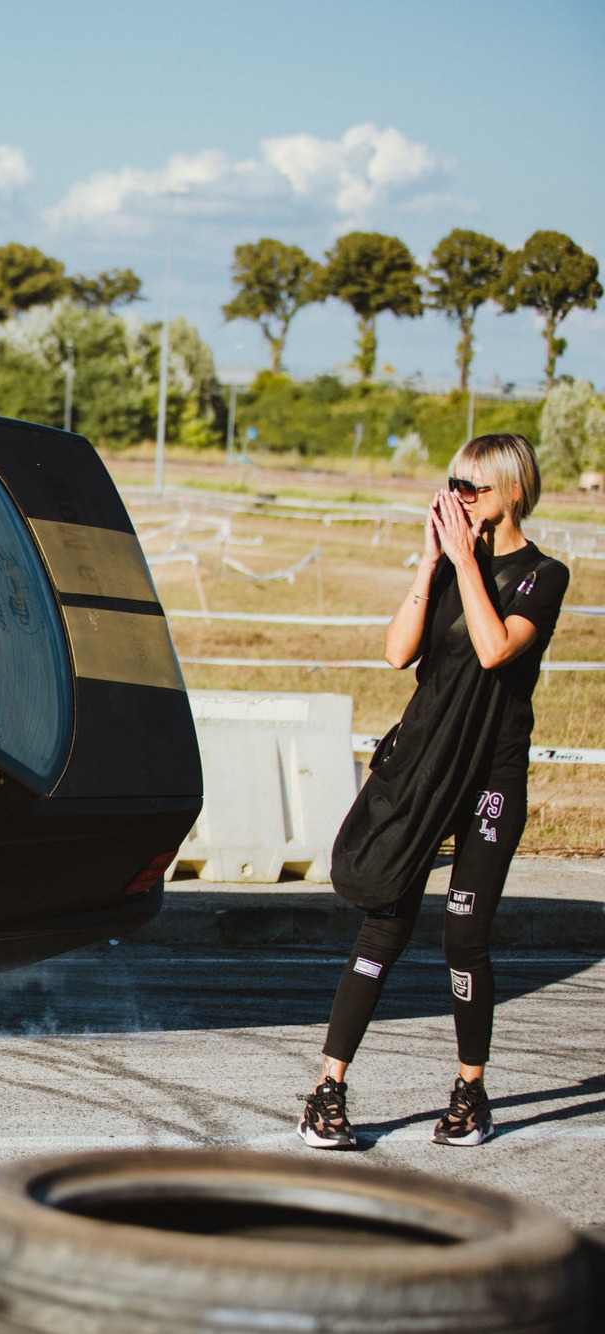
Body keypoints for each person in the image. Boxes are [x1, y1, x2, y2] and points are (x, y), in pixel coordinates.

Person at [299, 435, 569, 1150]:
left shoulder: (544, 575)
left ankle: (470, 1092)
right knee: (383, 926)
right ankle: (327, 1088)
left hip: (490, 778)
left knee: (463, 936)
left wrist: (463, 564)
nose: (457, 500)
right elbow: (397, 653)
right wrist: (430, 561)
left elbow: (495, 648)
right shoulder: (449, 566)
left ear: (511, 492)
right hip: (424, 766)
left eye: (470, 487)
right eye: (452, 487)